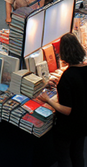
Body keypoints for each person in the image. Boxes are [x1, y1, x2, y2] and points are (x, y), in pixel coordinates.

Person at [39, 33, 87, 167]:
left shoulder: (68, 77)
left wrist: (48, 100)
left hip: (68, 127)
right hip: (83, 122)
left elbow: (66, 110)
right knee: (78, 154)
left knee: (64, 157)